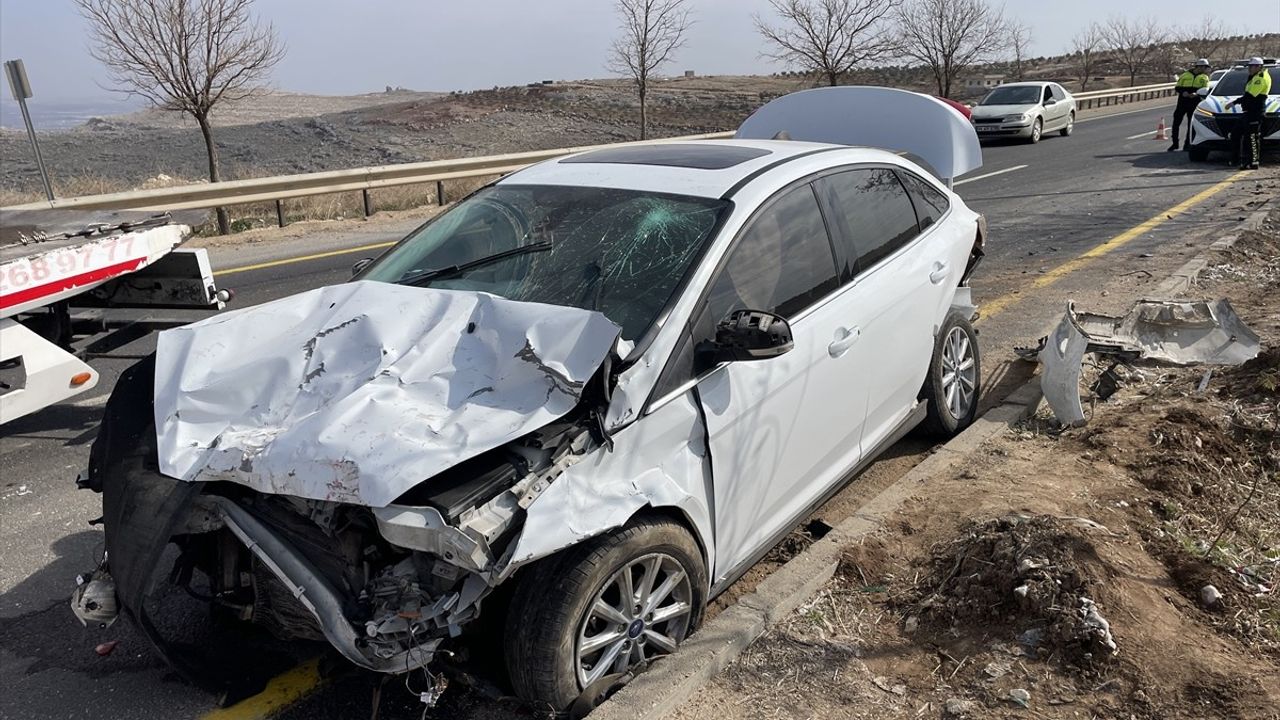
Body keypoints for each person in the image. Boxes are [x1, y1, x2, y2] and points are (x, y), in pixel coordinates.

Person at [1226, 58, 1272, 169]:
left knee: (1251, 138)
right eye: (1249, 66)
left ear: (1259, 67)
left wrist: (1235, 102)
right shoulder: (1254, 77)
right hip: (1248, 112)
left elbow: (1250, 96)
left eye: (1252, 66)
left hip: (1255, 112)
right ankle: (1237, 159)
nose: (1249, 68)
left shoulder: (1260, 78)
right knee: (1236, 133)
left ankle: (1253, 162)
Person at [1169, 59, 1211, 151]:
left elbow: (1205, 89)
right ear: (1199, 67)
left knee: (1190, 125)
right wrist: (1183, 92)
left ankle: (1187, 144)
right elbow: (1177, 87)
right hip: (1182, 103)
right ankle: (1175, 143)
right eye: (1204, 67)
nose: (1205, 69)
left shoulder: (1204, 77)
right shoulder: (1185, 75)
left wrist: (1196, 94)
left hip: (1194, 103)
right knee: (1176, 123)